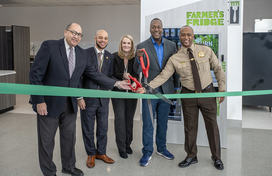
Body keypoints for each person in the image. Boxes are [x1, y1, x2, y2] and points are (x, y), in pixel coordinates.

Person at [29, 23, 130, 176]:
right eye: (73, 32)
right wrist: (39, 100)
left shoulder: (82, 54)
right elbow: (35, 75)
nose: (76, 36)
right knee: (47, 142)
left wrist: (116, 83)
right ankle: (49, 172)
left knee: (69, 139)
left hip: (70, 105)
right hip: (48, 104)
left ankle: (69, 167)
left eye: (79, 34)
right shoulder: (50, 46)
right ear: (65, 32)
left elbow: (94, 74)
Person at [147, 25, 226, 170]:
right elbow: (164, 75)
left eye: (188, 34)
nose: (186, 37)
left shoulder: (206, 50)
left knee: (212, 127)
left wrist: (222, 88)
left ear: (193, 36)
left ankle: (216, 157)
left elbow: (218, 68)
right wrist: (148, 87)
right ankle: (191, 156)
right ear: (180, 37)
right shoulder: (175, 58)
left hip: (208, 93)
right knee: (190, 128)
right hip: (188, 95)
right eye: (183, 35)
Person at [135, 18, 180, 166]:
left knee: (163, 123)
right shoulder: (142, 46)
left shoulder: (172, 45)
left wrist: (176, 87)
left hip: (166, 90)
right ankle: (147, 152)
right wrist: (137, 59)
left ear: (162, 29)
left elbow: (175, 68)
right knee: (148, 123)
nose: (156, 29)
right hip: (149, 91)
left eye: (159, 27)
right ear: (150, 29)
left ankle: (161, 148)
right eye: (153, 27)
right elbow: (137, 70)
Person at [77, 30, 115, 168]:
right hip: (88, 99)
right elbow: (79, 76)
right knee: (88, 128)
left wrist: (124, 80)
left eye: (105, 38)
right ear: (95, 38)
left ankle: (101, 153)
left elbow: (110, 77)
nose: (103, 40)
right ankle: (91, 154)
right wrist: (79, 97)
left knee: (103, 128)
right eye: (100, 38)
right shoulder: (85, 54)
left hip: (103, 99)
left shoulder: (110, 57)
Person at [111, 35, 138, 159]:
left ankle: (128, 144)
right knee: (120, 119)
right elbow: (112, 74)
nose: (126, 45)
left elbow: (137, 74)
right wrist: (122, 75)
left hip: (131, 92)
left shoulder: (135, 58)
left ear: (132, 45)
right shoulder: (114, 56)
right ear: (121, 44)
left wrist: (135, 82)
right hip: (118, 92)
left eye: (129, 43)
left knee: (129, 119)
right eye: (124, 43)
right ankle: (121, 147)